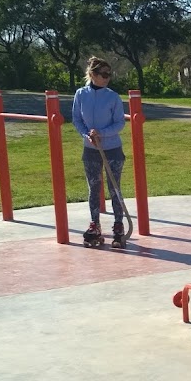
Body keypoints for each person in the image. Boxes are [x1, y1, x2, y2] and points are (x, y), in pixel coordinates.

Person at [73, 56, 127, 247]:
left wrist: (102, 133)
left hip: (112, 149)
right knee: (93, 188)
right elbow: (77, 120)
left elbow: (120, 122)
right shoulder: (80, 94)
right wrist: (86, 135)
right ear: (93, 75)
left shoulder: (113, 97)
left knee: (114, 188)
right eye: (103, 74)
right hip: (91, 150)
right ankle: (94, 224)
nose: (107, 78)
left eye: (109, 75)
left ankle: (118, 224)